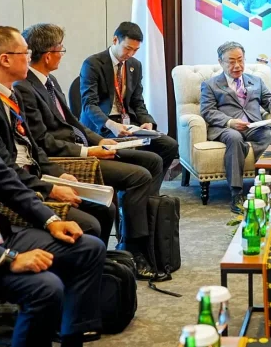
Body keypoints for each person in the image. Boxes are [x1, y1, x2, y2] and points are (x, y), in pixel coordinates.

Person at [0, 33, 105, 347]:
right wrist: (6, 258)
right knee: (46, 288)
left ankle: (73, 337)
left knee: (88, 247)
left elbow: (3, 177)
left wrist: (50, 220)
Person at [16, 23, 163, 280]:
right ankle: (133, 246)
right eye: (61, 49)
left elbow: (72, 121)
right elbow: (42, 141)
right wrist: (88, 151)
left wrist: (101, 141)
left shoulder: (49, 81)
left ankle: (141, 229)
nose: (63, 54)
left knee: (152, 160)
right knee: (139, 176)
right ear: (48, 55)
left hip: (85, 145)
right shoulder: (25, 88)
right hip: (67, 157)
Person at [0, 26, 116, 245]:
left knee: (106, 209)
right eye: (25, 53)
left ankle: (102, 263)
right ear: (5, 59)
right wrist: (50, 188)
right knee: (90, 225)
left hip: (37, 175)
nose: (29, 58)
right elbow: (2, 166)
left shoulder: (12, 94)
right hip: (19, 185)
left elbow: (33, 147)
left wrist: (59, 174)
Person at [79, 21, 179, 176]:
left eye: (135, 50)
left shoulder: (135, 65)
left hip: (128, 124)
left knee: (170, 145)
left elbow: (137, 101)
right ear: (115, 40)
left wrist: (147, 121)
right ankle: (140, 187)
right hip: (103, 125)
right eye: (127, 48)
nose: (131, 54)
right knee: (145, 157)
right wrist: (111, 124)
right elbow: (89, 104)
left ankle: (150, 190)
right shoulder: (93, 64)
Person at [200, 41, 271, 214]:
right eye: (231, 61)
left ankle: (267, 188)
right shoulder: (210, 85)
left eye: (240, 60)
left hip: (254, 125)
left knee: (270, 135)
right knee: (235, 138)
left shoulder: (256, 81)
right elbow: (207, 111)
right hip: (227, 128)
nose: (237, 65)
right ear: (220, 62)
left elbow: (270, 99)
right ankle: (236, 193)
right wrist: (230, 122)